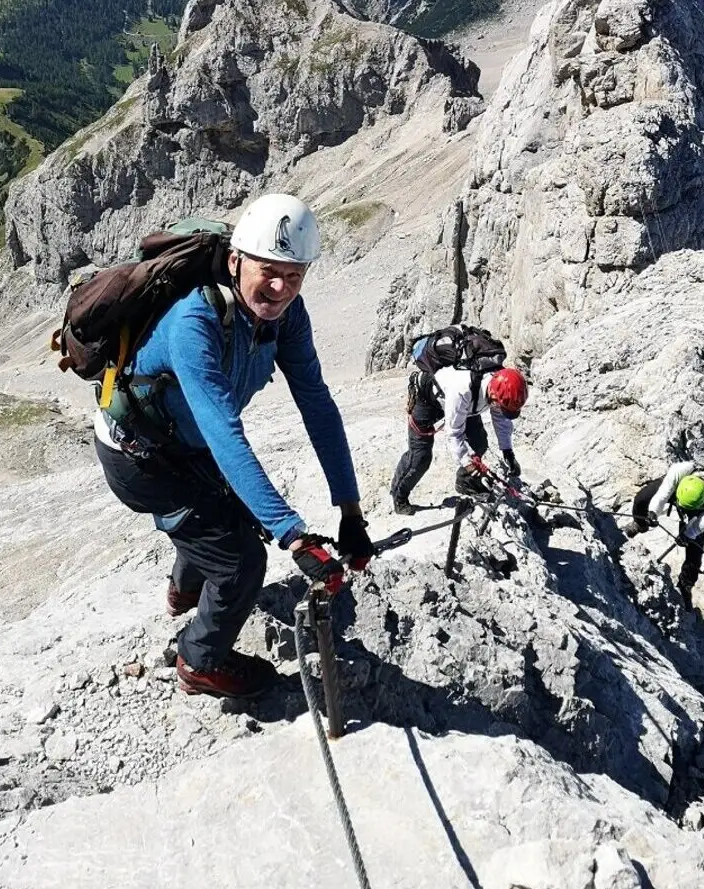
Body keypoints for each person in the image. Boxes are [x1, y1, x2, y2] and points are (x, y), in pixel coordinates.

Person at [93, 193, 375, 699]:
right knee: (241, 560)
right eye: (268, 271)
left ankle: (184, 592)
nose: (280, 288)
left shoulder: (286, 317)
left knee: (222, 513)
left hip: (184, 441)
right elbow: (223, 432)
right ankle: (199, 662)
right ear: (235, 261)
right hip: (138, 457)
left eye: (294, 276)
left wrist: (350, 512)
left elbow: (316, 404)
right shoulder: (194, 322)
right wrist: (293, 536)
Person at [390, 361, 528, 514]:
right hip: (428, 399)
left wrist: (508, 452)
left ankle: (465, 482)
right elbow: (454, 433)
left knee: (479, 443)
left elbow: (501, 419)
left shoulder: (499, 389)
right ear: (493, 394)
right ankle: (399, 497)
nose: (500, 409)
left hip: (467, 404)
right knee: (420, 457)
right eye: (499, 406)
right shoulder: (463, 389)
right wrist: (467, 462)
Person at [625, 459, 704, 607]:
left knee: (695, 547)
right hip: (679, 493)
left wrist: (688, 535)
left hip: (698, 507)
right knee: (642, 499)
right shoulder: (679, 471)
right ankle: (640, 524)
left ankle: (686, 584)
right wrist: (653, 512)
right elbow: (663, 493)